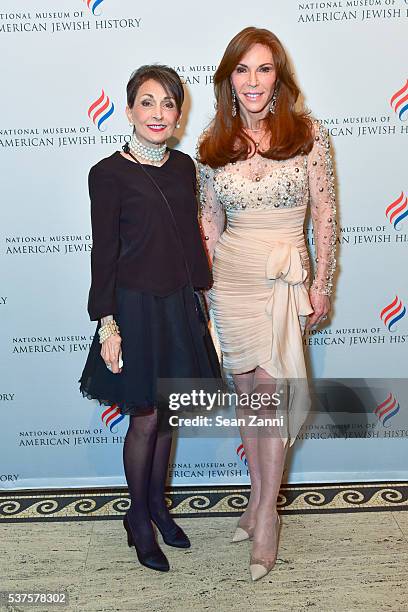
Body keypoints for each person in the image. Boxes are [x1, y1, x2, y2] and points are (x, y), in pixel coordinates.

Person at [197, 27, 337, 581]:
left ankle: (269, 514)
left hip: (283, 281)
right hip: (230, 280)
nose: (252, 82)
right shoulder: (212, 141)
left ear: (278, 76)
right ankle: (256, 499)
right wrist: (203, 282)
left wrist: (321, 283)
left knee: (273, 394)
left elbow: (324, 215)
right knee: (248, 394)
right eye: (241, 70)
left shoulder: (308, 134)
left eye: (263, 69)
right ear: (228, 79)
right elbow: (209, 218)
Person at [80, 65, 220, 572]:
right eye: (147, 102)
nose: (157, 113)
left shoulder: (185, 167)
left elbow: (188, 240)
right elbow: (104, 253)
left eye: (167, 104)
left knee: (169, 416)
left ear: (179, 114)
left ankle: (158, 504)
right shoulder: (107, 173)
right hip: (135, 309)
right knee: (143, 417)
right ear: (130, 109)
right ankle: (137, 517)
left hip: (179, 302)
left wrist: (202, 300)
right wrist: (107, 322)